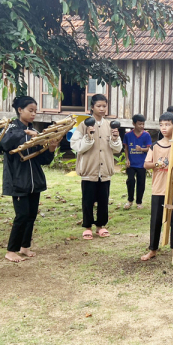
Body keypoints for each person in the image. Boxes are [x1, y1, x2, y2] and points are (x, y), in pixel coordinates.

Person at [1, 96, 59, 263]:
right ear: (20, 110)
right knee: (22, 215)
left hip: (35, 182)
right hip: (18, 180)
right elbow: (4, 144)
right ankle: (11, 250)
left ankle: (24, 246)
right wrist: (24, 132)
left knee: (31, 215)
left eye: (35, 111)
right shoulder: (11, 128)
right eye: (30, 110)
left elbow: (43, 160)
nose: (34, 114)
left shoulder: (36, 132)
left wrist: (51, 148)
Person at [140, 112, 173, 261]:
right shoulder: (155, 146)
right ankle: (153, 249)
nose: (164, 128)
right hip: (158, 189)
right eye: (161, 124)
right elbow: (146, 164)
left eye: (168, 124)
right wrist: (157, 164)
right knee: (156, 219)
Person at [70, 94, 122, 240]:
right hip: (89, 169)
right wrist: (89, 136)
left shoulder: (110, 125)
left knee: (103, 200)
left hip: (104, 170)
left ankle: (100, 226)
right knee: (87, 200)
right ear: (92, 107)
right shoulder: (83, 124)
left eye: (104, 106)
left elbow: (117, 149)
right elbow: (77, 146)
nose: (102, 109)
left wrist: (115, 137)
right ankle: (87, 227)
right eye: (98, 106)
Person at [123, 114, 152, 210]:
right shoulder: (128, 135)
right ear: (134, 124)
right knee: (130, 181)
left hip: (142, 164)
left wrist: (141, 149)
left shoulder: (146, 135)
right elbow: (126, 148)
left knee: (141, 183)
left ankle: (139, 202)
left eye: (143, 124)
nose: (142, 126)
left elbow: (149, 149)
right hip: (131, 163)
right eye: (139, 124)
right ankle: (130, 200)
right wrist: (127, 159)